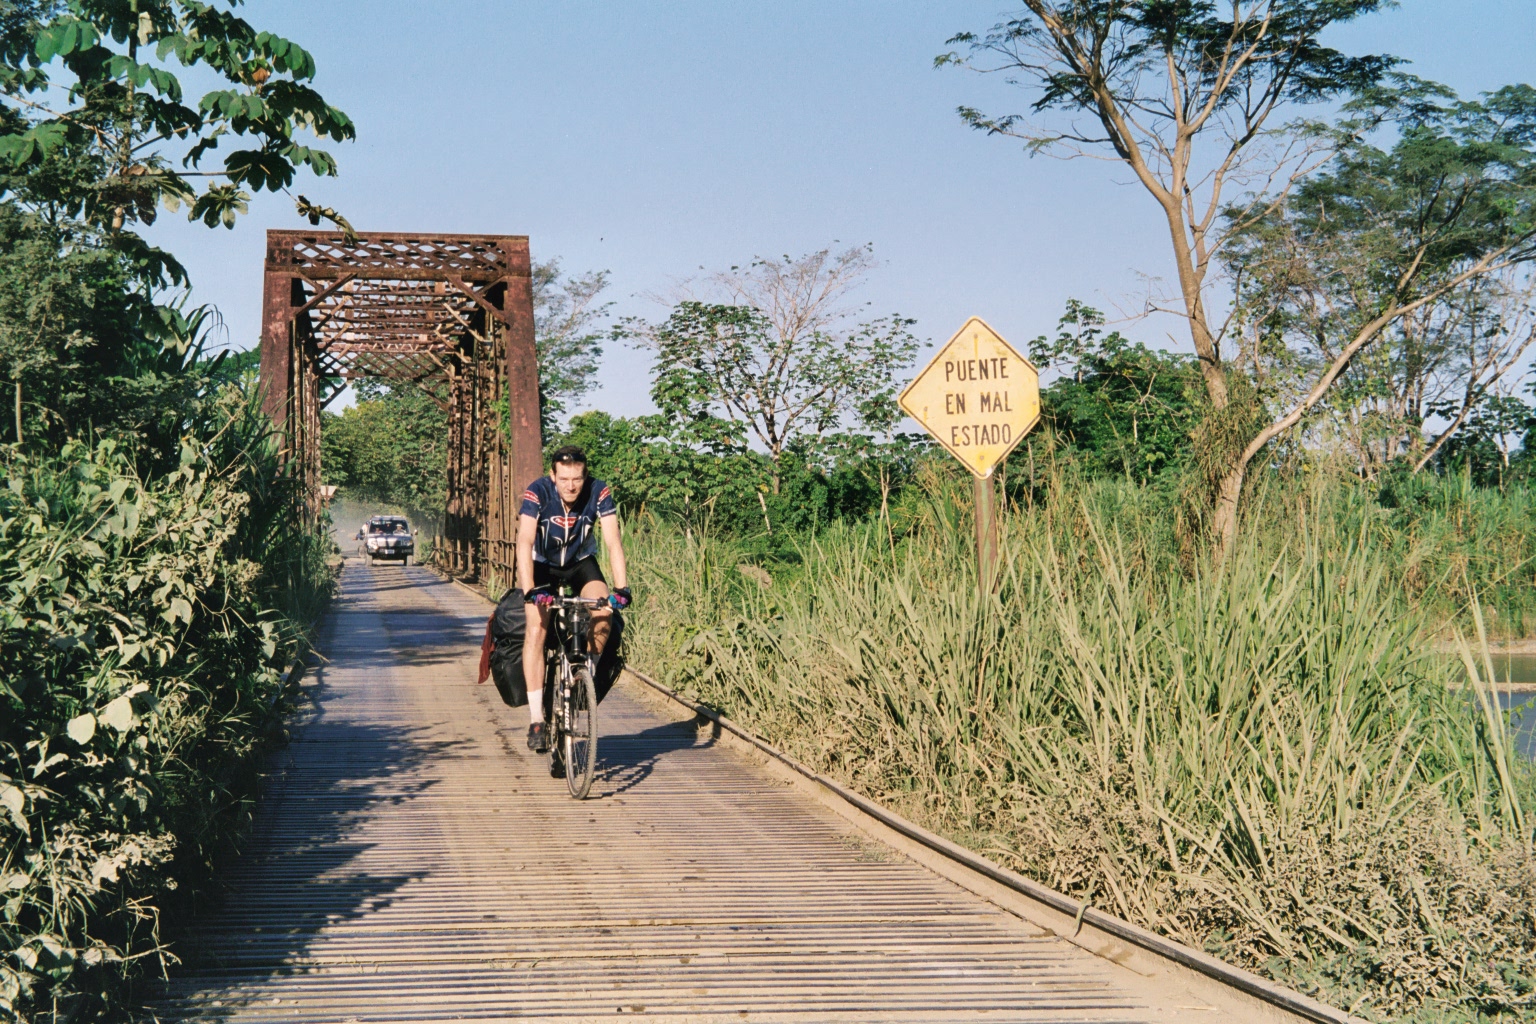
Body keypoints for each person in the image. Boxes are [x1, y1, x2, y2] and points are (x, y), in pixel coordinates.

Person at [517, 445, 630, 753]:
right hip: (544, 566)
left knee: (603, 611)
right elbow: (524, 540)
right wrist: (531, 590)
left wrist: (622, 589)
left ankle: (583, 678)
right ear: (553, 476)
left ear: (585, 475)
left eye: (577, 478)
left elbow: (613, 541)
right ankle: (537, 717)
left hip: (581, 563)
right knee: (536, 629)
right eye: (564, 478)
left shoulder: (599, 492)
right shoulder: (537, 492)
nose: (571, 485)